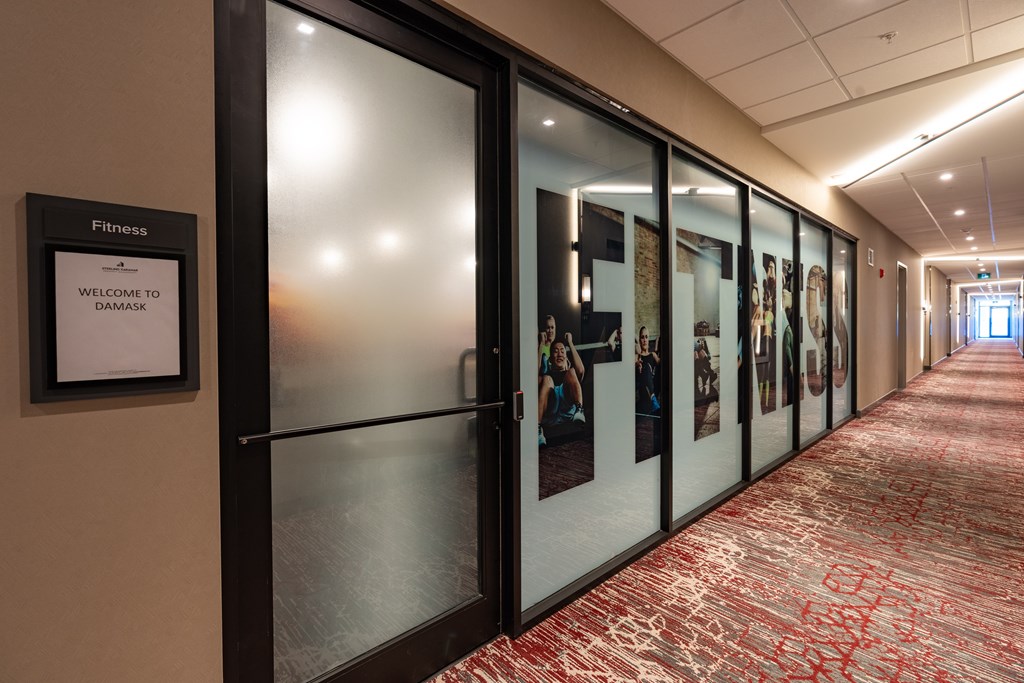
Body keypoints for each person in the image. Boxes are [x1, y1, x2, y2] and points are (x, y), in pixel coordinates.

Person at [538, 333, 586, 446]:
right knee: (546, 379)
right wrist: (541, 344)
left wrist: (570, 343)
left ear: (566, 357)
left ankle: (579, 410)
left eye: (562, 351)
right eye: (555, 351)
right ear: (550, 358)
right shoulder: (546, 375)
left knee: (572, 372)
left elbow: (581, 370)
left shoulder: (570, 375)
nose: (559, 354)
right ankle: (537, 429)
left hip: (567, 408)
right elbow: (533, 376)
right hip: (550, 409)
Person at [635, 325, 660, 414]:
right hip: (643, 391)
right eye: (642, 337)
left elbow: (662, 365)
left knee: (658, 366)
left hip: (653, 386)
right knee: (645, 367)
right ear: (639, 339)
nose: (645, 340)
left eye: (646, 337)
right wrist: (637, 365)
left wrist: (657, 345)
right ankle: (653, 400)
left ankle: (655, 398)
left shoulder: (653, 354)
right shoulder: (637, 356)